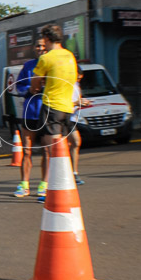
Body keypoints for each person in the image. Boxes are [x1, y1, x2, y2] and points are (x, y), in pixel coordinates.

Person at [29, 24, 79, 201]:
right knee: (63, 148)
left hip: (52, 106)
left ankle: (51, 189)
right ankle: (65, 185)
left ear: (48, 39)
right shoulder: (70, 56)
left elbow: (35, 84)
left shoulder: (46, 58)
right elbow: (73, 79)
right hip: (67, 108)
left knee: (50, 151)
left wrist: (35, 88)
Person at [10, 38, 48, 198]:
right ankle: (24, 185)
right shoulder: (28, 66)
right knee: (27, 151)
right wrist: (32, 89)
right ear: (34, 47)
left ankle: (44, 185)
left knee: (47, 151)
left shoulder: (52, 65)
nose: (40, 48)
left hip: (46, 112)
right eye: (38, 45)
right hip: (29, 112)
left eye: (43, 46)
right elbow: (19, 86)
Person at [69, 70, 88, 185]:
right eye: (77, 77)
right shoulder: (66, 84)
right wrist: (77, 103)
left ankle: (74, 173)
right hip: (65, 118)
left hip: (72, 118)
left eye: (80, 78)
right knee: (73, 142)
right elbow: (63, 102)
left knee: (75, 143)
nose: (78, 80)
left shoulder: (76, 85)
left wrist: (81, 103)